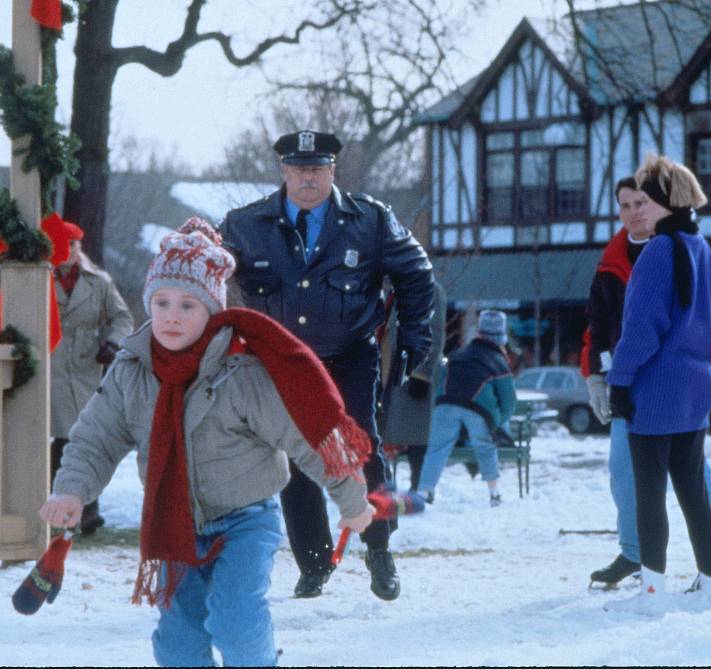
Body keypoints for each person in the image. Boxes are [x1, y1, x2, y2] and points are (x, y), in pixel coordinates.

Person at [41, 218, 373, 667]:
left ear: (212, 311)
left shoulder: (241, 371)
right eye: (161, 302)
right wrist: (72, 489)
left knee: (234, 621)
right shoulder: (132, 370)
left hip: (246, 521)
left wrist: (352, 500)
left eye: (187, 305)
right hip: (174, 520)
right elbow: (95, 438)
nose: (171, 316)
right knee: (178, 641)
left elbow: (305, 437)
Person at [219, 129, 435, 601]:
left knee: (362, 450)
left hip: (349, 356)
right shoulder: (245, 224)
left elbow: (417, 275)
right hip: (281, 363)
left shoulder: (370, 220)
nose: (307, 177)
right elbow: (209, 277)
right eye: (298, 169)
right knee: (297, 458)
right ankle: (313, 563)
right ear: (283, 171)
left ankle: (378, 547)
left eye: (317, 168)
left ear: (333, 170)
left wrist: (415, 336)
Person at [582, 176, 711, 590]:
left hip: (647, 384)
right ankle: (637, 555)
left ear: (661, 204)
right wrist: (595, 377)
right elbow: (597, 325)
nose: (635, 211)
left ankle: (708, 566)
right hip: (662, 382)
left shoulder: (676, 249)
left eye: (642, 201)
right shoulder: (614, 259)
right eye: (625, 205)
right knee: (629, 475)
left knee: (680, 483)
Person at [49, 219, 134, 535]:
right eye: (64, 243)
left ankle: (85, 508)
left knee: (83, 435)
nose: (70, 251)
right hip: (51, 365)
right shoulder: (38, 279)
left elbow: (122, 316)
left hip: (86, 367)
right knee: (57, 436)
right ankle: (64, 505)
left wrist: (113, 342)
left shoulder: (99, 282)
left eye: (74, 244)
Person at [411, 310, 516, 507]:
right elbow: (509, 401)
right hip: (478, 410)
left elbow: (440, 383)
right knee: (485, 447)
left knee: (436, 449)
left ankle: (424, 492)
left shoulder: (457, 355)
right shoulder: (499, 362)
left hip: (446, 404)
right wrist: (497, 423)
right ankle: (494, 493)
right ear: (501, 338)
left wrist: (441, 405)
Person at [378, 281, 447, 492]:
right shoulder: (394, 288)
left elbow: (433, 332)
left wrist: (422, 373)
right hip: (389, 370)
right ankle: (383, 485)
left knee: (416, 435)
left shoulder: (428, 287)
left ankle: (420, 488)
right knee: (386, 432)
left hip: (412, 371)